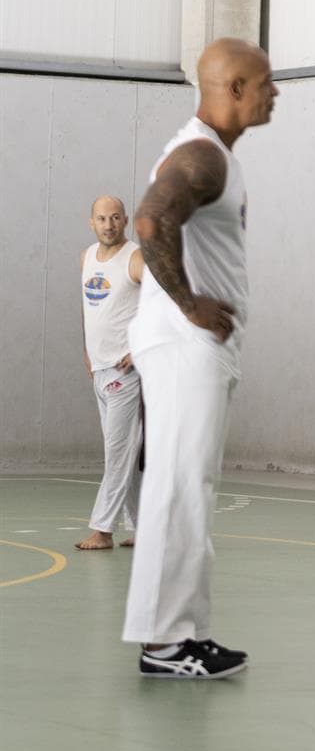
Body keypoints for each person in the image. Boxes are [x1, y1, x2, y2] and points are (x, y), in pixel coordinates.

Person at [123, 37, 277, 680]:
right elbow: (152, 221)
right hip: (185, 345)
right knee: (180, 484)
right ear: (233, 89)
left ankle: (180, 632)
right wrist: (187, 303)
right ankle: (167, 642)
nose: (275, 93)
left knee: (188, 483)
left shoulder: (215, 157)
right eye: (265, 82)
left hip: (192, 346)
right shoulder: (201, 156)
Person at [78, 195, 145, 551]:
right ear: (92, 222)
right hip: (99, 371)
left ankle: (102, 530)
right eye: (102, 218)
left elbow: (165, 302)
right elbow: (87, 308)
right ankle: (144, 527)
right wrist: (86, 350)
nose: (108, 224)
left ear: (125, 220)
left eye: (115, 217)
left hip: (125, 374)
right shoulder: (86, 257)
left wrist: (140, 349)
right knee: (126, 454)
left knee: (117, 452)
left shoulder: (136, 259)